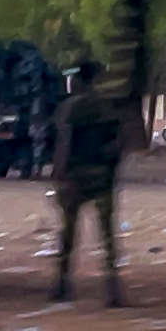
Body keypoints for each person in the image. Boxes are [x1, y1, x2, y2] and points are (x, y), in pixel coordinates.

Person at [49, 60, 127, 307]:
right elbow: (117, 146)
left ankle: (61, 283)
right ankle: (112, 289)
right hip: (101, 176)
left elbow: (64, 143)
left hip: (76, 176)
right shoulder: (108, 108)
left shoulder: (70, 107)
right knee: (107, 233)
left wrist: (60, 173)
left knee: (68, 231)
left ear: (80, 80)